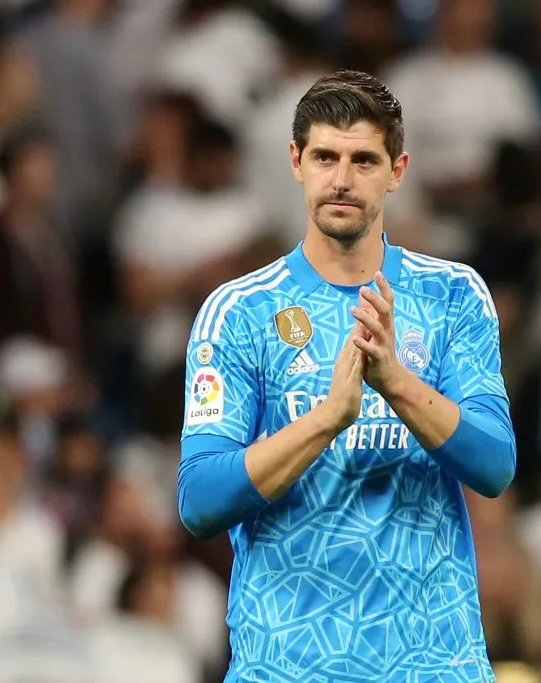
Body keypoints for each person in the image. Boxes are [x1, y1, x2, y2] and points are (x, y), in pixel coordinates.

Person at [177, 69, 517, 681]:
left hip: (433, 664)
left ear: (398, 171)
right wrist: (328, 418)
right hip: (287, 666)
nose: (341, 179)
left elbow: (495, 465)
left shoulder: (452, 296)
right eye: (325, 157)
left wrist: (398, 384)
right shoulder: (239, 312)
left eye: (364, 160)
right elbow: (200, 500)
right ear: (295, 162)